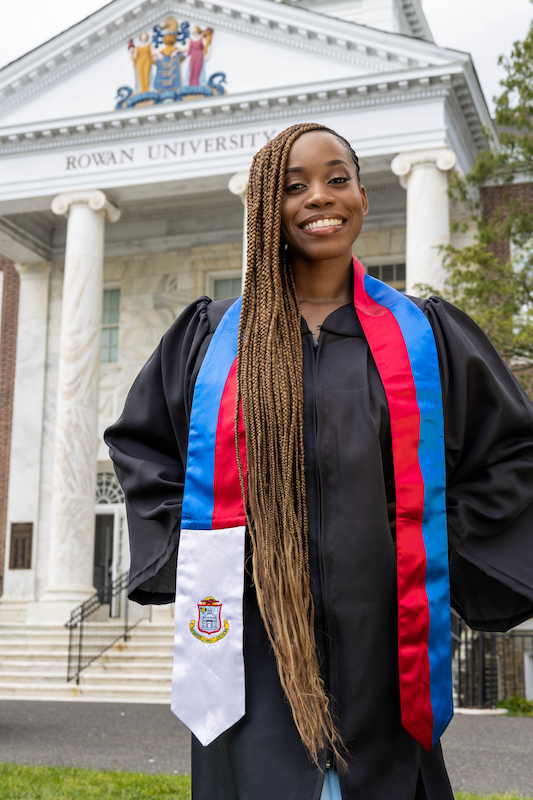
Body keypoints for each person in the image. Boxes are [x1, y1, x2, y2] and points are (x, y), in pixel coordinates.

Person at [105, 123, 533, 800]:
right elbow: (143, 449)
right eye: (293, 185)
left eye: (337, 178)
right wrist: (203, 552)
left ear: (363, 194)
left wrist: (432, 540)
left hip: (385, 637)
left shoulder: (425, 335)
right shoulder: (212, 338)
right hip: (252, 642)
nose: (318, 198)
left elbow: (508, 453)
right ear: (265, 208)